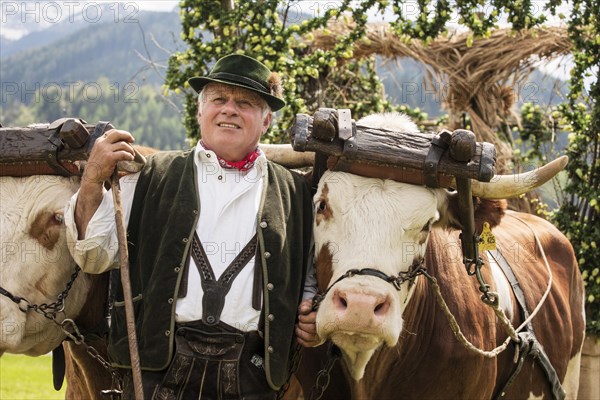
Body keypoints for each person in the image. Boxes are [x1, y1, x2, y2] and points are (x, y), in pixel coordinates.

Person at [65, 54, 320, 399]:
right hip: (158, 370)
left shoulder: (296, 192)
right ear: (201, 111)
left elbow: (308, 277)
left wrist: (312, 315)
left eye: (245, 103)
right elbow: (93, 256)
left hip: (253, 375)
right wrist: (93, 180)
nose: (229, 109)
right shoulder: (151, 175)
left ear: (266, 121)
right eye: (218, 99)